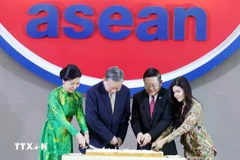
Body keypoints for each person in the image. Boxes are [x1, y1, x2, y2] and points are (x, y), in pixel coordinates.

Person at [152, 76, 217, 159]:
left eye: (178, 91)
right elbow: (171, 127)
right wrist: (159, 139)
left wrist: (164, 141)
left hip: (203, 149)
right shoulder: (179, 106)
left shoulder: (196, 107)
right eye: (174, 92)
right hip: (189, 150)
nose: (176, 95)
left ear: (185, 90)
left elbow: (184, 128)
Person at [38, 64, 89, 160]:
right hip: (52, 133)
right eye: (72, 83)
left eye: (77, 83)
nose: (75, 87)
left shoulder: (77, 96)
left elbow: (80, 116)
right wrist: (78, 135)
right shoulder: (55, 95)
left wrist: (85, 133)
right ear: (64, 80)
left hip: (66, 133)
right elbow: (61, 118)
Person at [131, 68, 177, 155]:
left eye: (154, 85)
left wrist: (150, 135)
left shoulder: (168, 96)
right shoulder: (138, 97)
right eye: (147, 85)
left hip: (164, 146)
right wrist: (139, 133)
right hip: (144, 145)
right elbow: (135, 119)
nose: (150, 88)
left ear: (160, 82)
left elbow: (166, 120)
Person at [85, 66, 130, 149]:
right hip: (95, 142)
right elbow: (91, 119)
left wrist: (120, 137)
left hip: (113, 144)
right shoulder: (93, 92)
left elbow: (125, 117)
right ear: (104, 79)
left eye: (117, 88)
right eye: (111, 87)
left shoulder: (125, 91)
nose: (114, 91)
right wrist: (110, 137)